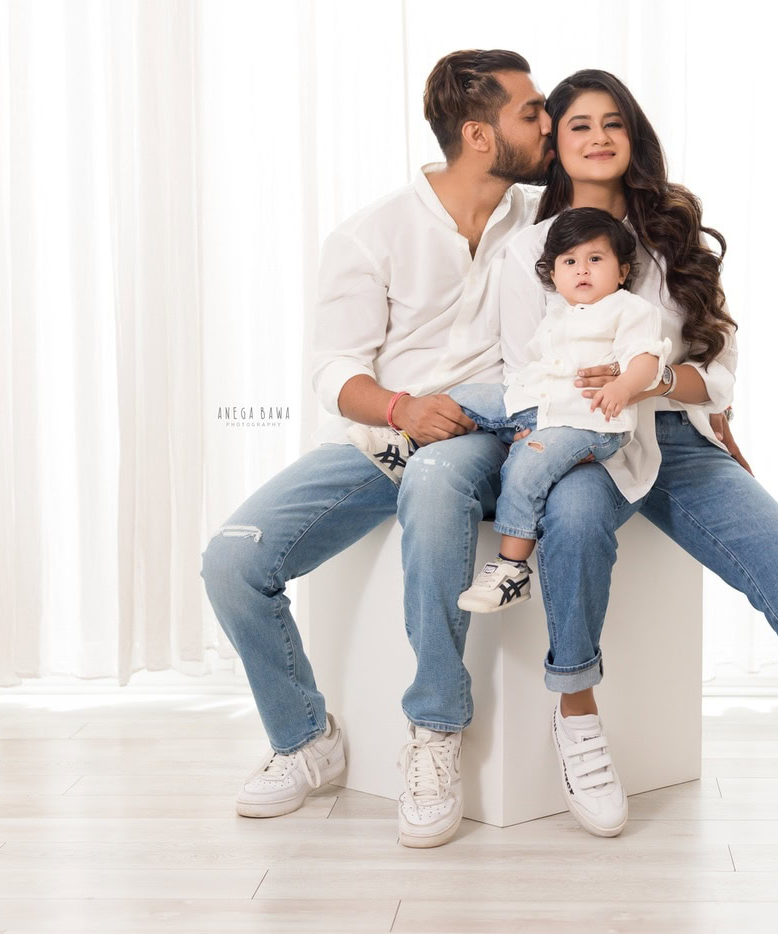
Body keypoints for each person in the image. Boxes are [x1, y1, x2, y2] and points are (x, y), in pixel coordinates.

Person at [499, 69, 778, 873]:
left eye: (613, 123)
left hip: (677, 441)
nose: (598, 137)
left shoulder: (673, 238)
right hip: (579, 441)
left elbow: (720, 374)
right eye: (579, 126)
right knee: (571, 521)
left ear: (632, 135)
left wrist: (656, 381)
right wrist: (562, 439)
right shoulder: (525, 252)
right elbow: (521, 376)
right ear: (556, 145)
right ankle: (578, 713)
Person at [200, 49, 550, 850]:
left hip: (488, 435)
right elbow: (333, 370)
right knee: (232, 561)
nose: (547, 121)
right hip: (385, 436)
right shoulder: (372, 233)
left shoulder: (545, 219)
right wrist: (402, 408)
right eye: (530, 111)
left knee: (435, 483)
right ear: (478, 134)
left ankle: (434, 732)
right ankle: (305, 740)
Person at [349, 207, 667, 615]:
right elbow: (530, 371)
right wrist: (511, 416)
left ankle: (512, 567)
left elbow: (646, 360)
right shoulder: (557, 316)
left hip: (589, 421)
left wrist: (623, 385)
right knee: (470, 394)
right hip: (537, 405)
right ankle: (406, 443)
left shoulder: (628, 310)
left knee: (526, 465)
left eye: (595, 259)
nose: (582, 270)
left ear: (622, 271)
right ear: (554, 276)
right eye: (569, 262)